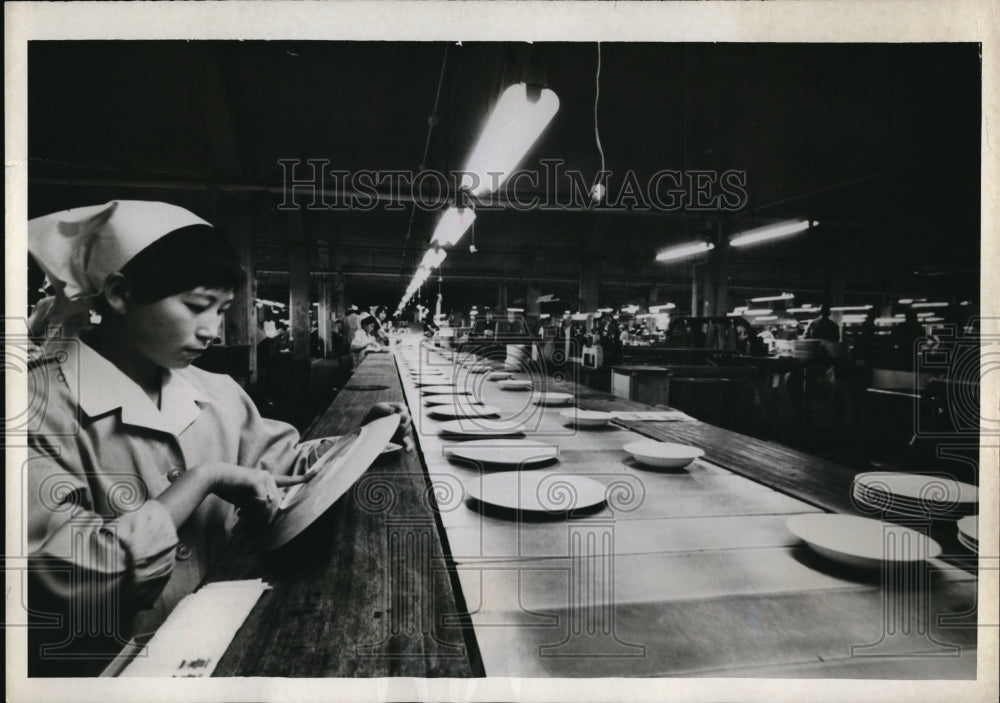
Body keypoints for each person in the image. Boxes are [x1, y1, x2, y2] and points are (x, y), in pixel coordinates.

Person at [25, 200, 411, 676]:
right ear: (121, 293)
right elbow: (59, 573)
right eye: (195, 306)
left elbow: (284, 468)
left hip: (221, 641)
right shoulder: (35, 409)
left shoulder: (216, 393)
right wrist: (199, 480)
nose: (213, 330)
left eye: (223, 309)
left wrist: (359, 438)